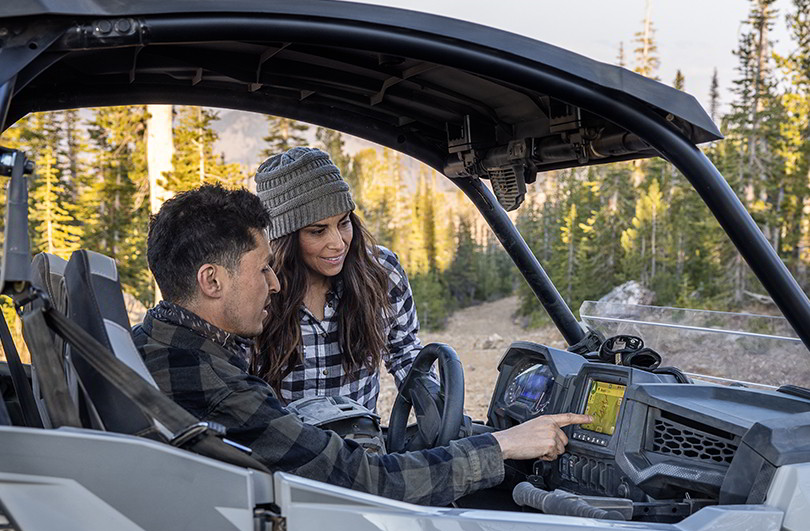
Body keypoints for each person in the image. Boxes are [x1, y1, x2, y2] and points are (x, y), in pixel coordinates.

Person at [133, 183, 591, 506]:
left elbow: (406, 359)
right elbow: (363, 481)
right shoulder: (217, 382)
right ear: (212, 280)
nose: (273, 285)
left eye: (344, 223)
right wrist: (501, 446)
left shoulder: (165, 343)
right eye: (262, 269)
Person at [252, 146, 431, 413]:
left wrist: (435, 406)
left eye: (344, 223)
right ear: (284, 239)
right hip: (286, 450)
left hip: (361, 448)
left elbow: (405, 351)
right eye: (317, 231)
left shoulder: (382, 271)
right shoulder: (257, 287)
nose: (338, 243)